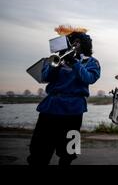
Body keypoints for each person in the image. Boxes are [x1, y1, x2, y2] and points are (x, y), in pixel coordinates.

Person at [27, 25, 101, 165]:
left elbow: (89, 79)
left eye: (78, 42)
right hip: (50, 108)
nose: (74, 44)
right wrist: (58, 63)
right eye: (72, 41)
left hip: (73, 110)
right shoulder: (58, 58)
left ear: (85, 44)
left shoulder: (91, 62)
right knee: (39, 151)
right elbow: (45, 76)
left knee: (68, 153)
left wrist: (74, 64)